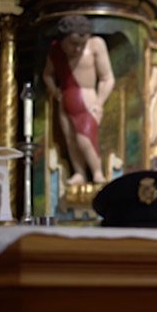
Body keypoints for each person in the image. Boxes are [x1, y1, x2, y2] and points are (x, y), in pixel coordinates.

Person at [42, 15, 115, 185]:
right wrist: (54, 91)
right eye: (73, 44)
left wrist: (99, 102)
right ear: (63, 40)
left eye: (82, 44)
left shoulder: (96, 45)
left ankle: (97, 172)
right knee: (71, 140)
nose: (78, 49)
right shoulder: (56, 51)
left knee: (85, 140)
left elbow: (107, 78)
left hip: (88, 99)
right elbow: (47, 75)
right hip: (65, 100)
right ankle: (79, 172)